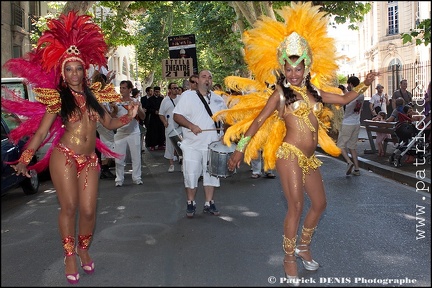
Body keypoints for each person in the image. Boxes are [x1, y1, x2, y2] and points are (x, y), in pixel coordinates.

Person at [212, 3, 379, 285]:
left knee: (321, 204)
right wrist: (240, 148)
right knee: (296, 206)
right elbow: (258, 121)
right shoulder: (279, 94)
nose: (293, 74)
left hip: (309, 158)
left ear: (306, 67)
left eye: (298, 68)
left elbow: (343, 99)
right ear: (283, 69)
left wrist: (364, 84)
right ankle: (289, 258)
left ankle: (303, 246)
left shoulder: (314, 92)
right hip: (289, 154)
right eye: (288, 69)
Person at [1, 11, 139, 284]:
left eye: (78, 68)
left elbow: (109, 123)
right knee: (70, 207)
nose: (74, 73)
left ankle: (84, 248)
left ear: (84, 70)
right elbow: (41, 133)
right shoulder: (57, 99)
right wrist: (24, 159)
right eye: (69, 69)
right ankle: (69, 255)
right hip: (64, 156)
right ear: (63, 73)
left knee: (89, 210)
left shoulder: (95, 96)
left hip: (89, 160)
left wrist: (128, 117)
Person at [173, 69, 228, 218]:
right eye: (204, 77)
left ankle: (209, 202)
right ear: (197, 80)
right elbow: (177, 116)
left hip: (213, 145)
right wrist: (191, 126)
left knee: (211, 175)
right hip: (192, 145)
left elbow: (226, 119)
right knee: (191, 174)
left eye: (210, 77)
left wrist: (225, 134)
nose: (207, 80)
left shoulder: (218, 99)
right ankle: (191, 202)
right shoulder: (187, 96)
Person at [113, 80, 146, 187]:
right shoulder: (116, 102)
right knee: (119, 158)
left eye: (124, 88)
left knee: (136, 156)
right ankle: (119, 179)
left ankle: (137, 178)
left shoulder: (135, 100)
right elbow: (112, 117)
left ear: (129, 89)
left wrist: (137, 107)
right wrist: (114, 109)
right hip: (120, 132)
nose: (121, 90)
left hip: (133, 132)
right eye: (121, 88)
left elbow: (143, 116)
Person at [337, 76, 365, 176]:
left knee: (340, 146)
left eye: (348, 84)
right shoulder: (361, 95)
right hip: (357, 122)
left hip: (347, 123)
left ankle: (349, 162)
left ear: (351, 84)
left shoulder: (349, 95)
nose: (347, 86)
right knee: (352, 147)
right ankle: (357, 169)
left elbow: (341, 103)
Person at [159, 82, 182, 172]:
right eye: (173, 88)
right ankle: (171, 164)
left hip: (181, 125)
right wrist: (165, 122)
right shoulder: (165, 100)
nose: (176, 89)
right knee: (169, 144)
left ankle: (183, 163)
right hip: (170, 125)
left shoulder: (181, 99)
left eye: (177, 88)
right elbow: (161, 114)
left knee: (182, 144)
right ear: (170, 90)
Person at [145, 86, 165, 150]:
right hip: (153, 118)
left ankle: (160, 144)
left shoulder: (162, 99)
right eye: (156, 92)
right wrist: (154, 111)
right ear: (154, 92)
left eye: (158, 92)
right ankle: (152, 145)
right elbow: (148, 108)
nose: (157, 93)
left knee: (161, 131)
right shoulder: (150, 99)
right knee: (153, 132)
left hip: (160, 118)